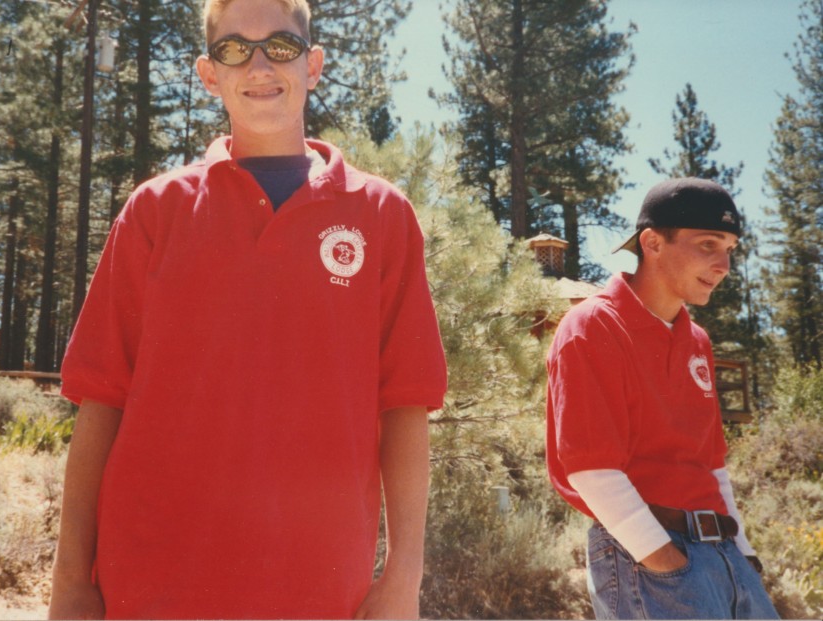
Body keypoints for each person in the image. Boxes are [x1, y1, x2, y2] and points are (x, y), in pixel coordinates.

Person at [47, 0, 447, 618]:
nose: (259, 64)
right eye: (235, 49)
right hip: (152, 586)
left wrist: (403, 578)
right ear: (210, 74)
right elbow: (101, 401)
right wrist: (72, 582)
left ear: (313, 65)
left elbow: (407, 406)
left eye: (281, 47)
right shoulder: (156, 211)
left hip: (317, 592)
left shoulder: (382, 216)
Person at [546, 178, 779, 620]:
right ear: (652, 242)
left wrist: (743, 554)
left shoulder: (696, 340)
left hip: (725, 555)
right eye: (708, 244)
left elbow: (711, 462)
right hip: (655, 556)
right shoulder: (592, 326)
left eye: (730, 247)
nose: (724, 263)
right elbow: (592, 468)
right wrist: (664, 560)